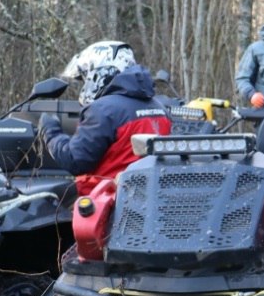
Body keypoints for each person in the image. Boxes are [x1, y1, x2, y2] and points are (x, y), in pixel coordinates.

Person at [40, 41, 172, 195]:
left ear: (100, 73)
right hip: (147, 198)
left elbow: (76, 161)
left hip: (106, 201)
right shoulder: (160, 108)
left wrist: (50, 132)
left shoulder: (103, 110)